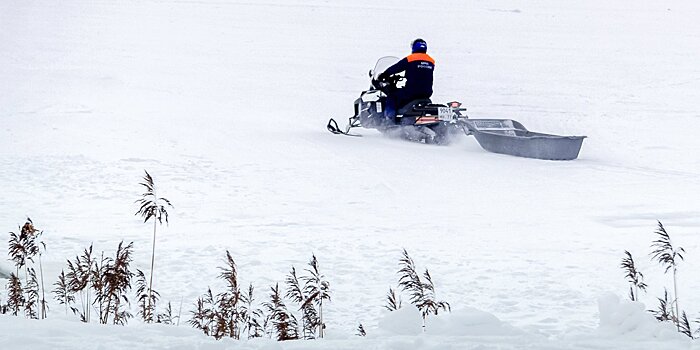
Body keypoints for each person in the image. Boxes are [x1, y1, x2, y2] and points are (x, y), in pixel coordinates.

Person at [376, 38, 435, 120]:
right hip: (426, 93)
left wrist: (384, 75)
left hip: (412, 91)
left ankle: (389, 119)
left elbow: (396, 68)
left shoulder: (411, 58)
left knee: (392, 96)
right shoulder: (431, 61)